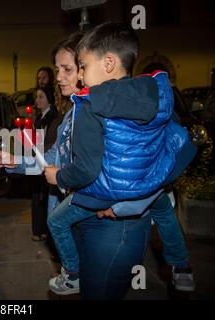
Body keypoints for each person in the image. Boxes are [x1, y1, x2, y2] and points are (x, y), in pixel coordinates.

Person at [0, 30, 187, 299]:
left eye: (68, 68)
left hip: (117, 227)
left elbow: (164, 156)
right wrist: (16, 163)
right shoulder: (74, 114)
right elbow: (52, 160)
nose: (58, 76)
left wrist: (124, 204)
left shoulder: (117, 107)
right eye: (57, 69)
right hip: (84, 217)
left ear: (96, 66)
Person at [44, 22, 196, 295]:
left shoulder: (90, 105)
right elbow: (178, 148)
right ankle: (181, 266)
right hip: (110, 212)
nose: (76, 76)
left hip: (111, 219)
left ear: (108, 62)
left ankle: (73, 274)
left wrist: (125, 204)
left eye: (79, 66)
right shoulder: (154, 99)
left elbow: (87, 169)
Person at [29, 85, 61, 241]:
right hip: (38, 160)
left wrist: (36, 148)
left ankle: (45, 232)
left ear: (50, 100)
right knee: (37, 197)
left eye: (41, 97)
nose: (37, 100)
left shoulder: (54, 118)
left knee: (46, 198)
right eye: (36, 97)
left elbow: (52, 142)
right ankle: (38, 230)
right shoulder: (40, 117)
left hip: (47, 162)